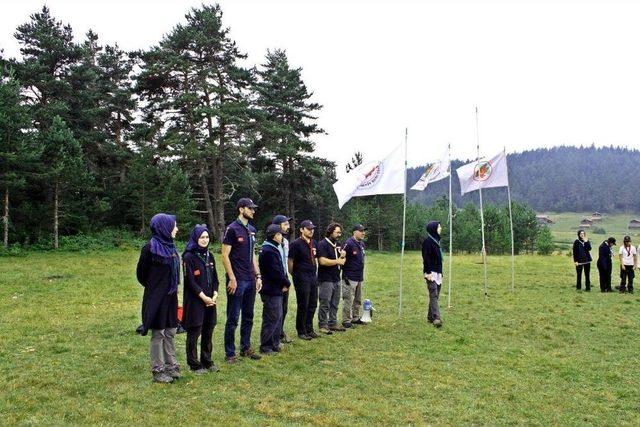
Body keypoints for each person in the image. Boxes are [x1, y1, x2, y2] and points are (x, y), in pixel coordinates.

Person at [136, 213, 181, 383]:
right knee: (158, 333)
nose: (176, 229)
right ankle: (158, 370)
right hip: (157, 298)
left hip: (171, 296)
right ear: (164, 227)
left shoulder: (171, 247)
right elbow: (142, 274)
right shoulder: (149, 249)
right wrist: (156, 288)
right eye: (174, 226)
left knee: (170, 330)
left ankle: (171, 366)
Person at [221, 198, 263, 363]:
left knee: (249, 315)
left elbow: (253, 254)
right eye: (250, 208)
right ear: (241, 209)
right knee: (233, 317)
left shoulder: (251, 230)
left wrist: (258, 275)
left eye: (253, 209)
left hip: (250, 280)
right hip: (237, 281)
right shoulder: (232, 229)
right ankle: (230, 354)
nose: (253, 211)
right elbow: (224, 255)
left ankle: (245, 347)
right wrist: (231, 278)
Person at [182, 225, 220, 374]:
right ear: (195, 238)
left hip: (211, 300)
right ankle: (194, 364)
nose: (205, 240)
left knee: (208, 330)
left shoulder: (210, 255)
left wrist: (215, 294)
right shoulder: (188, 257)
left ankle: (207, 361)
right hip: (196, 300)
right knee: (195, 331)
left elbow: (216, 278)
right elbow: (190, 281)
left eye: (207, 237)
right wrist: (203, 297)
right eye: (202, 237)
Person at [258, 224, 291, 354]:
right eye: (279, 235)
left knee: (278, 316)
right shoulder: (269, 250)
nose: (281, 237)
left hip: (275, 287)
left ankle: (275, 343)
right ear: (274, 236)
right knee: (271, 317)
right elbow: (276, 271)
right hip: (271, 289)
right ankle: (266, 346)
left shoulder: (273, 248)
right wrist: (286, 282)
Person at [288, 220, 320, 340]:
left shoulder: (314, 243)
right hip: (301, 277)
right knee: (303, 304)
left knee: (312, 304)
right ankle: (301, 330)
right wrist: (294, 274)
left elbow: (315, 258)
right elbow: (290, 261)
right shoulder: (296, 244)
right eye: (308, 228)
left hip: (313, 277)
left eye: (312, 228)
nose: (311, 231)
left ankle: (309, 328)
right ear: (301, 229)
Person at [317, 223, 347, 334]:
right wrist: (338, 261)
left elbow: (340, 259)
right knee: (325, 302)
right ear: (330, 231)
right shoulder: (322, 244)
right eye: (337, 232)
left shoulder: (338, 244)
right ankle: (323, 324)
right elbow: (322, 261)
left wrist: (342, 256)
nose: (339, 234)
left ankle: (333, 323)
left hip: (336, 277)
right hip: (325, 278)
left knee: (335, 302)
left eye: (340, 232)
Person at [272, 214, 294, 344]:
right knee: (275, 308)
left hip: (284, 276)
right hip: (276, 277)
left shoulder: (285, 242)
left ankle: (280, 332)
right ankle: (273, 334)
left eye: (288, 224)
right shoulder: (272, 241)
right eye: (285, 224)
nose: (288, 227)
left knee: (284, 307)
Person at [341, 224, 367, 328]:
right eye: (361, 231)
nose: (363, 233)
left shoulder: (361, 244)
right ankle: (346, 320)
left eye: (364, 231)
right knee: (349, 299)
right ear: (354, 232)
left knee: (358, 299)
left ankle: (355, 317)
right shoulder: (348, 243)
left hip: (359, 276)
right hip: (349, 276)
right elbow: (341, 256)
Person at [422, 221, 443, 327]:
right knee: (433, 294)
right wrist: (428, 272)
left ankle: (430, 317)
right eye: (439, 227)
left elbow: (439, 259)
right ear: (433, 229)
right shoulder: (428, 242)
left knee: (435, 295)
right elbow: (426, 258)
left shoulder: (436, 241)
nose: (440, 228)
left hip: (438, 272)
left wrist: (441, 272)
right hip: (431, 272)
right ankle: (436, 318)